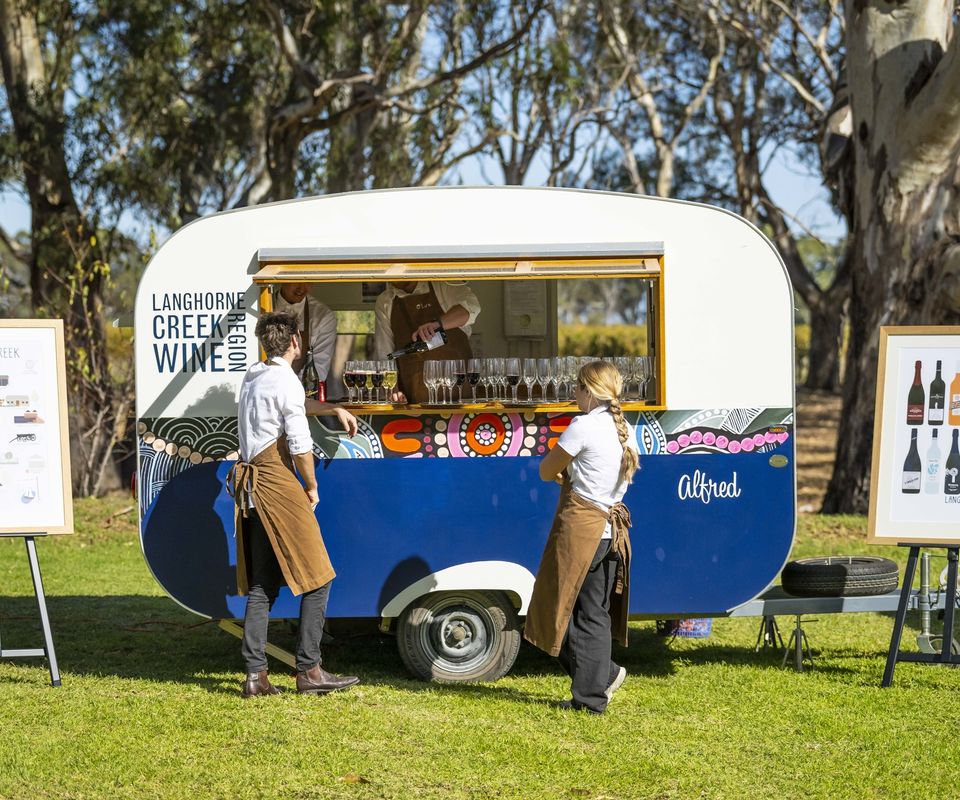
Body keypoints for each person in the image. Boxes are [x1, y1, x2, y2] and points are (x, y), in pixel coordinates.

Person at [227, 311, 360, 698]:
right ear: (297, 342)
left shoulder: (254, 376)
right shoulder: (284, 380)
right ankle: (309, 670)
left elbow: (295, 405)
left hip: (250, 488)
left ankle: (256, 675)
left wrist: (332, 408)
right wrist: (312, 487)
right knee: (319, 576)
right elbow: (300, 446)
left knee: (262, 584)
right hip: (277, 485)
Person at [523, 360, 637, 714]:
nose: (573, 393)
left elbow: (546, 470)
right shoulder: (627, 430)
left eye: (576, 387)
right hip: (612, 532)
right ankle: (600, 682)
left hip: (581, 528)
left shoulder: (582, 426)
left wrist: (564, 473)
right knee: (594, 614)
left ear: (588, 391)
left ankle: (593, 692)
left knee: (559, 608)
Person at [373, 280, 480, 403]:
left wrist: (438, 324)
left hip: (461, 399)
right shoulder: (385, 301)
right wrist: (392, 389)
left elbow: (472, 307)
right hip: (415, 403)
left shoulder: (444, 285)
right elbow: (385, 355)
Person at [273, 282, 338, 385]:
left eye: (308, 282)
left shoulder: (323, 316)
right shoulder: (263, 304)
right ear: (282, 280)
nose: (301, 288)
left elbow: (319, 370)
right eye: (296, 281)